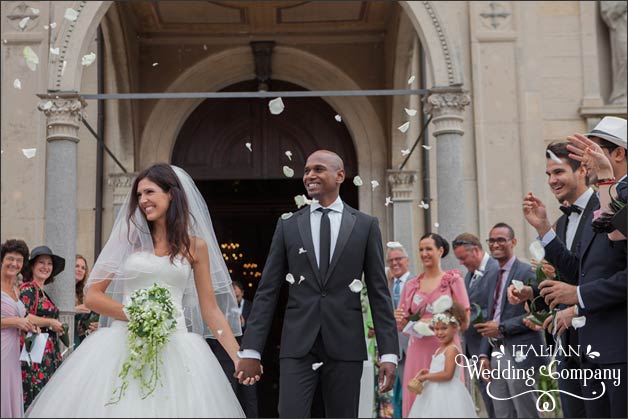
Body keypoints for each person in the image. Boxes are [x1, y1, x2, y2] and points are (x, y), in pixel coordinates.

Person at [25, 163, 245, 417]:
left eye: (150, 192)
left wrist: (238, 357)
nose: (143, 200)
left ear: (171, 194)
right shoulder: (127, 238)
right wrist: (134, 314)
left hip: (177, 346)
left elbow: (211, 310)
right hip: (121, 342)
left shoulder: (195, 247)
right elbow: (93, 296)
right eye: (139, 195)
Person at [237, 150, 399, 418]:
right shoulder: (288, 225)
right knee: (290, 413)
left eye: (318, 169)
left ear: (340, 175)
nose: (309, 175)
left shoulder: (365, 225)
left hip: (346, 343)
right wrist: (251, 348)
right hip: (298, 343)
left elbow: (379, 294)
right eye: (307, 170)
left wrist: (389, 353)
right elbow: (267, 290)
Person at [395, 233, 469, 418]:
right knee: (416, 394)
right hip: (418, 348)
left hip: (445, 349)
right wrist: (400, 319)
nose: (424, 253)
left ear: (440, 250)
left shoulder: (452, 280)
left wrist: (434, 322)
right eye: (421, 249)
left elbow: (464, 320)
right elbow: (403, 323)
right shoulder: (412, 285)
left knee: (446, 398)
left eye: (429, 249)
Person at [475, 223, 544, 418]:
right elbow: (490, 318)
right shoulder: (490, 276)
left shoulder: (527, 272)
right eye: (492, 240)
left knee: (526, 411)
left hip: (520, 350)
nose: (495, 244)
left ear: (513, 242)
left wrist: (502, 327)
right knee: (502, 412)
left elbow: (537, 314)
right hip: (495, 351)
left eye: (501, 240)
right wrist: (483, 355)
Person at [452, 233, 498, 418]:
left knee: (500, 404)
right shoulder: (469, 275)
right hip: (475, 349)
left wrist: (472, 317)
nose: (461, 263)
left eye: (463, 258)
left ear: (477, 250)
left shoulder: (496, 270)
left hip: (492, 349)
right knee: (489, 402)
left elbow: (497, 309)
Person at [407, 298, 477, 418]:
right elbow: (440, 371)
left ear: (455, 327)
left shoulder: (452, 349)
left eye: (444, 328)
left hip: (448, 393)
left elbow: (447, 374)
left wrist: (426, 377)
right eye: (436, 329)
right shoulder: (440, 349)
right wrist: (430, 372)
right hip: (433, 392)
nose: (439, 332)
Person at [19, 245, 66, 409]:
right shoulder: (28, 289)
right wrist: (51, 322)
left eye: (49, 264)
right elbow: (24, 315)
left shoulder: (42, 292)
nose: (46, 267)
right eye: (41, 262)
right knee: (37, 396)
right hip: (36, 352)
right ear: (32, 265)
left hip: (47, 352)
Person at [207, 280, 258, 418]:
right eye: (232, 296)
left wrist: (243, 324)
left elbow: (258, 330)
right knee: (229, 393)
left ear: (242, 293)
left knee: (250, 396)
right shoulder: (220, 308)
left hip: (247, 354)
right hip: (225, 357)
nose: (235, 299)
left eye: (237, 296)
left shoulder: (251, 307)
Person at [1, 239, 37, 418]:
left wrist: (27, 326)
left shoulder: (16, 289)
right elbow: (12, 319)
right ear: (2, 260)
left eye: (19, 260)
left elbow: (18, 318)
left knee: (10, 392)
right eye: (10, 258)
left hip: (14, 351)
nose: (14, 264)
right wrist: (15, 321)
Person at [387, 244, 411, 418]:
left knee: (411, 394)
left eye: (398, 259)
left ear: (407, 261)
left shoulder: (416, 282)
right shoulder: (386, 288)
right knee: (395, 399)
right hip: (393, 351)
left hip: (412, 347)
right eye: (391, 260)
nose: (394, 263)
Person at [73, 255, 99, 348]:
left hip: (78, 339)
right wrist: (75, 310)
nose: (80, 270)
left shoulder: (82, 293)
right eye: (76, 266)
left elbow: (81, 326)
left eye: (83, 268)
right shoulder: (63, 290)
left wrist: (92, 326)